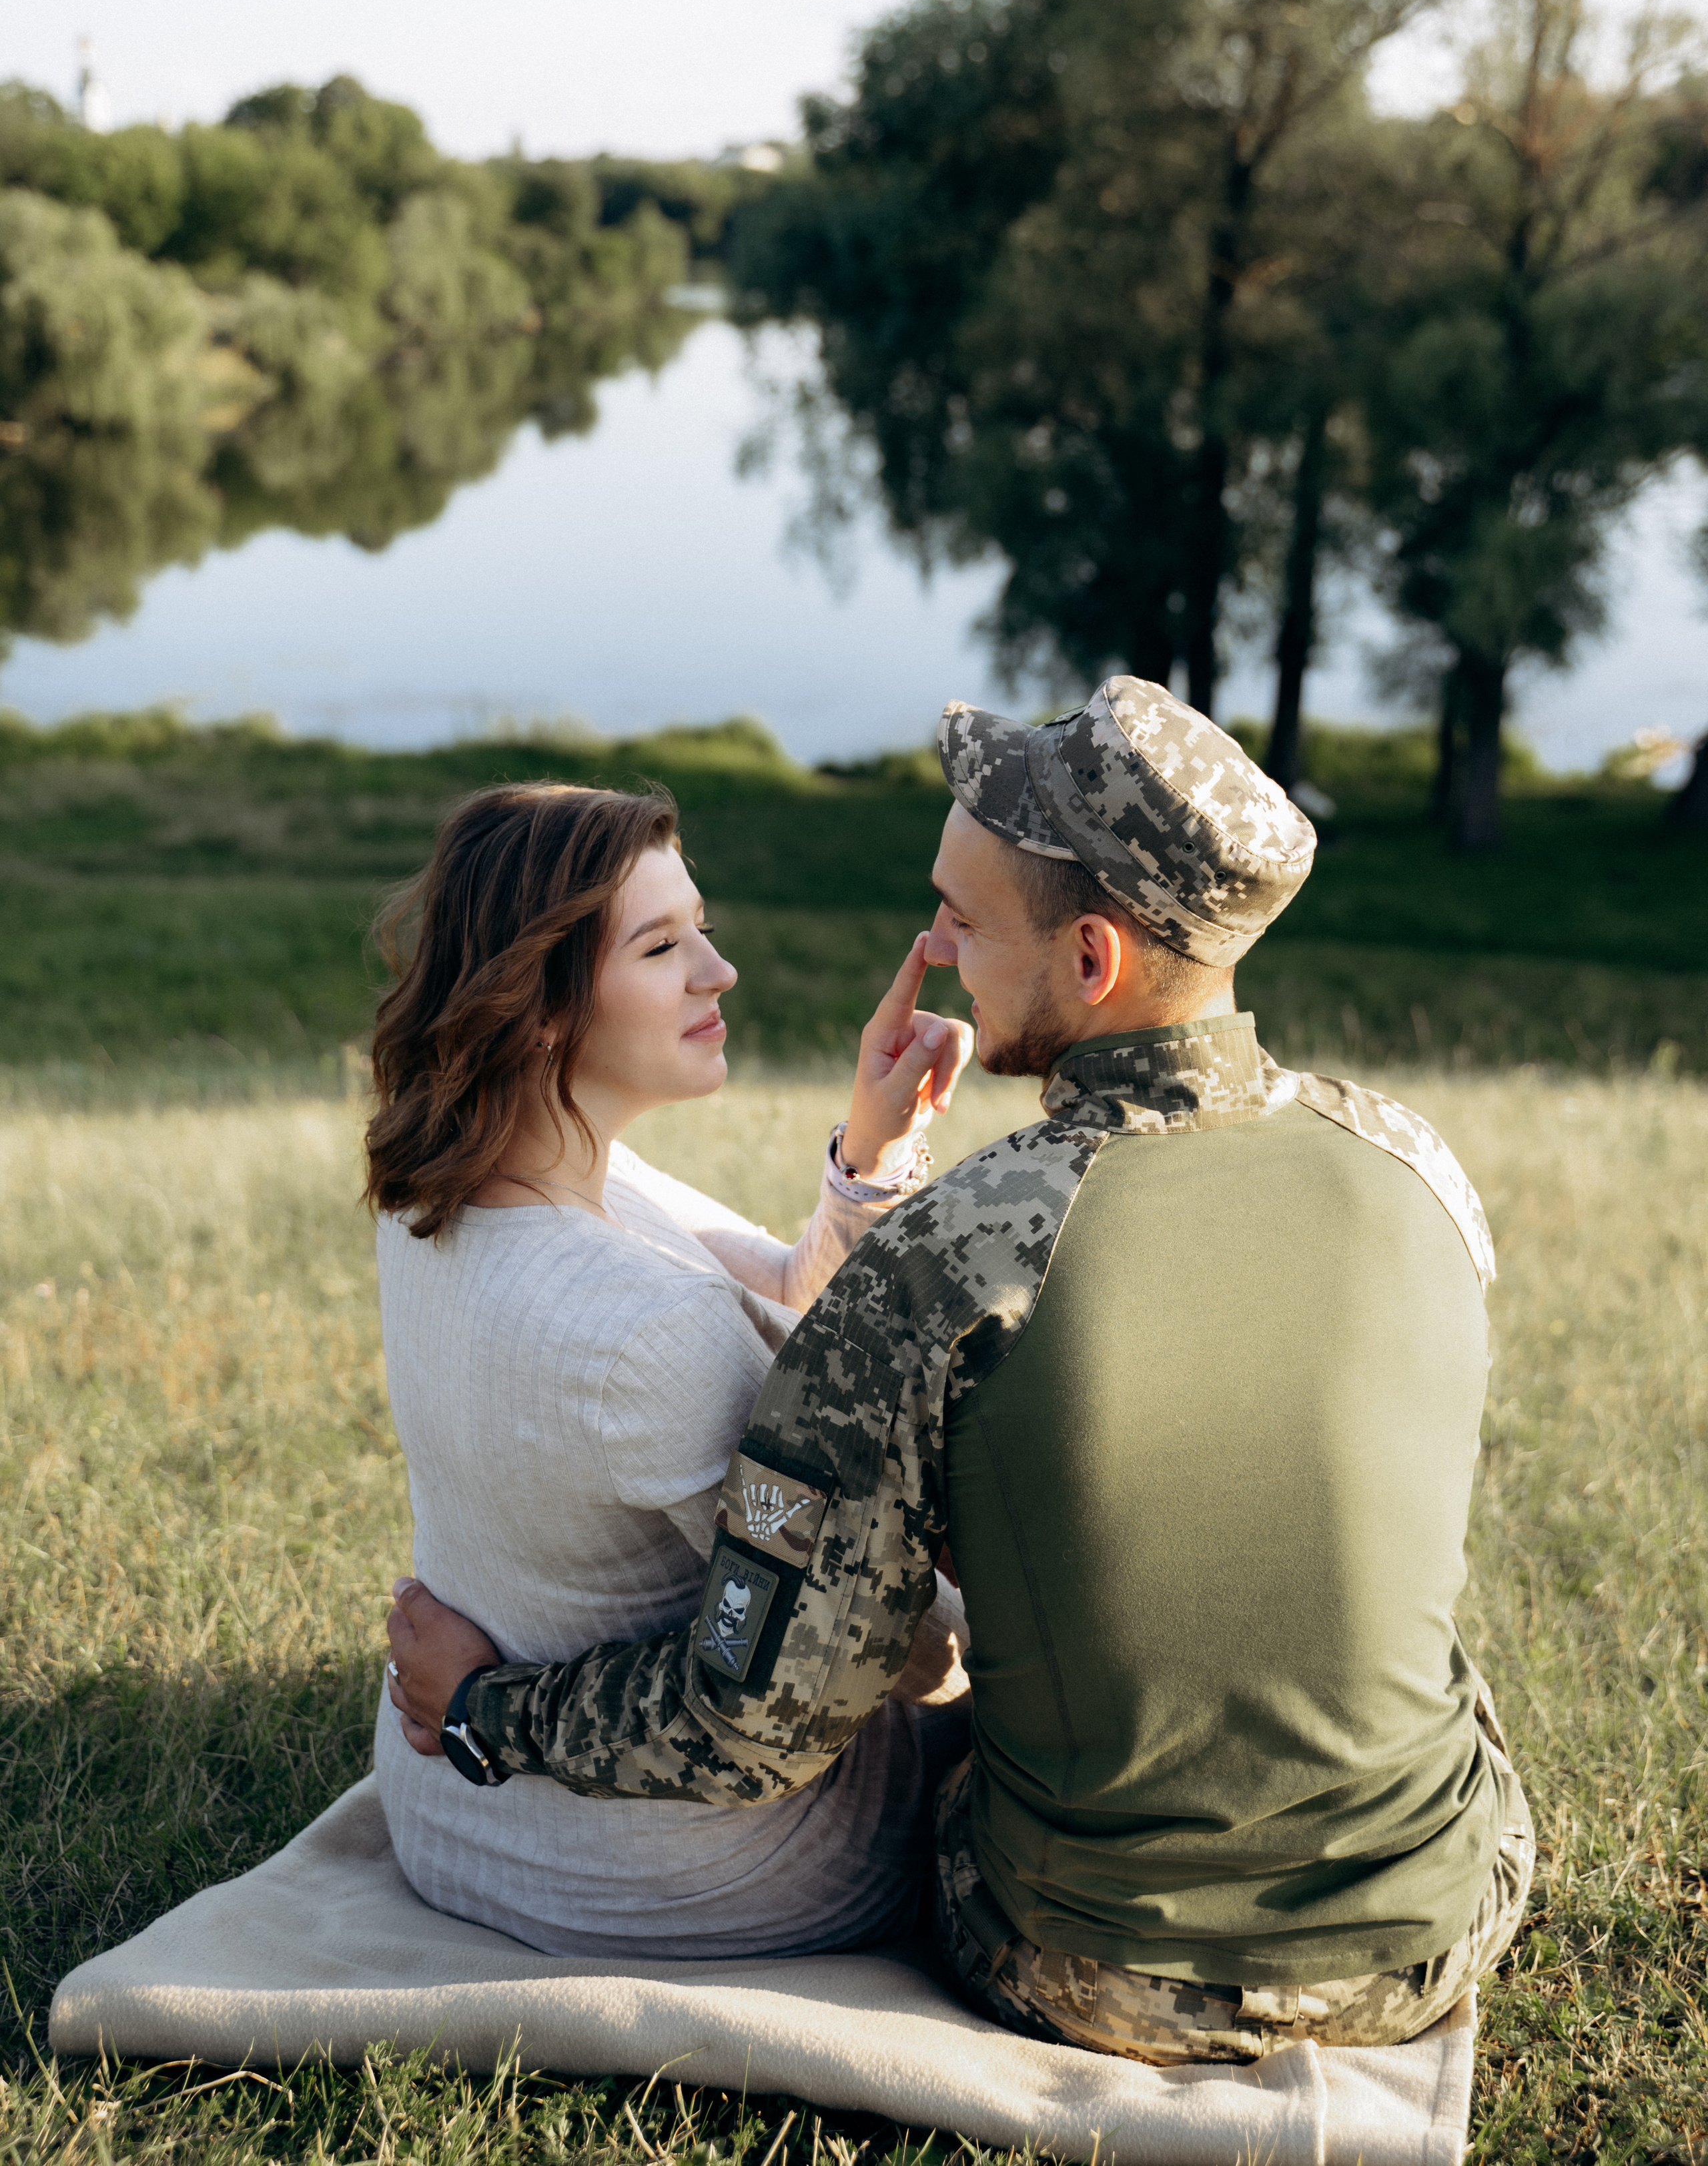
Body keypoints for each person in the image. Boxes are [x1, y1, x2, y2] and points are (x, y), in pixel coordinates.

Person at [387, 680, 1535, 2066]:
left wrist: (484, 1707)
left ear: (1094, 959)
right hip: (1433, 1926)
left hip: (1079, 1968)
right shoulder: (1417, 1167)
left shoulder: (956, 1253)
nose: (935, 946)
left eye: (965, 919)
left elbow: (762, 1717)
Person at [364, 777, 973, 1960]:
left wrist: (870, 1150)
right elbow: (897, 1656)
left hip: (445, 1804)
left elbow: (785, 1287)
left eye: (701, 926)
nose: (717, 970)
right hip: (682, 1870)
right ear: (540, 1005)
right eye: (661, 945)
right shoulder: (643, 1331)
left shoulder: (458, 1180)